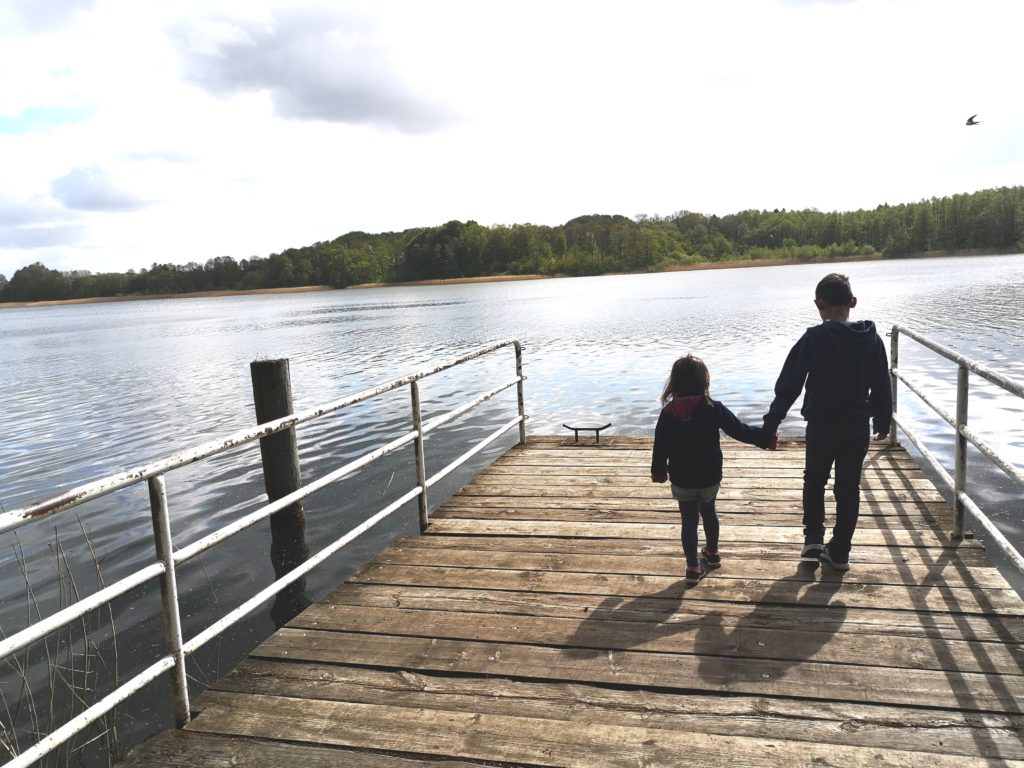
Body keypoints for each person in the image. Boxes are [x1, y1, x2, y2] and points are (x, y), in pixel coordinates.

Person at [761, 273, 892, 570]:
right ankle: (841, 551)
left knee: (815, 481)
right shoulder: (871, 339)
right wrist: (883, 420)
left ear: (819, 304)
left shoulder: (814, 338)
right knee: (848, 488)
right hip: (857, 426)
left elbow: (789, 384)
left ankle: (813, 542)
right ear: (853, 302)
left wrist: (771, 424)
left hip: (821, 426)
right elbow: (882, 383)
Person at [651, 354, 777, 586]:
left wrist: (658, 472)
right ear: (704, 381)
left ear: (675, 382)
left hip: (682, 478)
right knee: (709, 511)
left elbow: (661, 446)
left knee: (688, 520)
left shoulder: (669, 413)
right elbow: (739, 430)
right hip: (709, 476)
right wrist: (765, 438)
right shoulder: (713, 408)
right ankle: (712, 552)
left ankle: (692, 566)